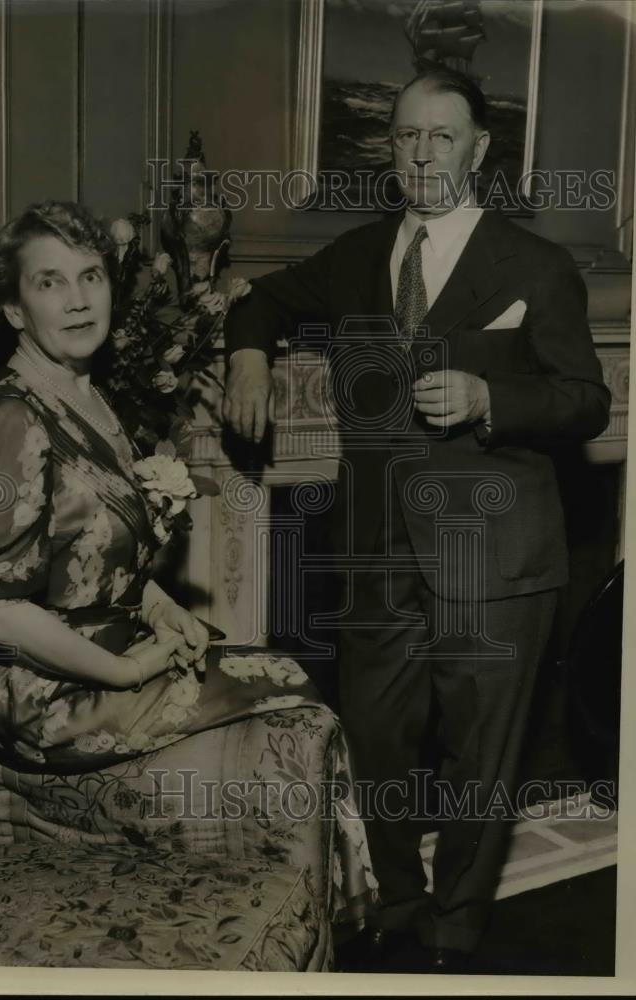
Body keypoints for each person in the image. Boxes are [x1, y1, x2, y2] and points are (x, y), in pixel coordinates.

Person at [223, 68, 611, 972]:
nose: (421, 154)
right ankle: (397, 906)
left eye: (442, 137)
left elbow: (586, 403)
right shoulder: (358, 254)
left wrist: (488, 395)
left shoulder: (536, 266)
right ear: (387, 149)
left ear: (478, 150)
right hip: (374, 556)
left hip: (496, 555)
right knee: (377, 740)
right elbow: (263, 299)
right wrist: (247, 355)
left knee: (483, 756)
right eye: (405, 136)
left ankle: (456, 929)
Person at [0, 201, 376, 931]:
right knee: (291, 695)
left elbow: (87, 551)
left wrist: (157, 603)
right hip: (29, 686)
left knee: (290, 681)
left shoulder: (86, 397)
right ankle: (332, 921)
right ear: (11, 307)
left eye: (91, 275)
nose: (77, 299)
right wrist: (129, 673)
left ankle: (316, 924)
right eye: (49, 282)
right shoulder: (6, 419)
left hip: (97, 639)